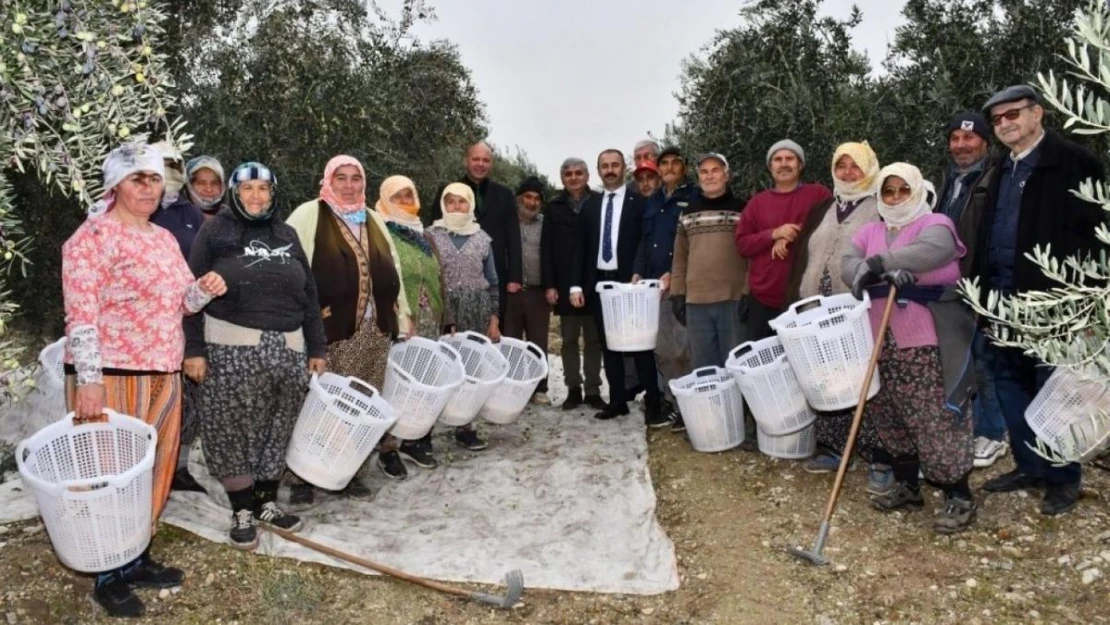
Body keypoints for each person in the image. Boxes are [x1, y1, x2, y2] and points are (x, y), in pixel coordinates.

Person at [62, 143, 226, 617]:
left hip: (161, 372)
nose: (148, 188)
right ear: (115, 185)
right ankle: (106, 573)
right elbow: (81, 315)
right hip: (110, 375)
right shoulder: (92, 237)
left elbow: (180, 303)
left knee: (153, 470)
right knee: (108, 475)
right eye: (138, 179)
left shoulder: (162, 239)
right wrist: (89, 380)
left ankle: (135, 557)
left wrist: (203, 290)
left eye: (154, 179)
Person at [972, 85, 1106, 516]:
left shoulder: (1075, 163)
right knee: (1011, 383)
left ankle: (1063, 477)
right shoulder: (1000, 168)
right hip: (1002, 298)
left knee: (1055, 389)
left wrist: (1090, 303)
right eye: (998, 119)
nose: (1006, 123)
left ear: (1038, 113)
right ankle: (1030, 465)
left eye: (1013, 114)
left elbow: (1098, 238)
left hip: (1053, 302)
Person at [184, 161, 327, 550]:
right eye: (248, 189)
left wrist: (316, 347)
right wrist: (193, 350)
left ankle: (266, 502)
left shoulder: (287, 234)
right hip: (230, 347)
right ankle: (241, 509)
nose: (256, 196)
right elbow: (189, 295)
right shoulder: (215, 232)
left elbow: (310, 297)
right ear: (234, 192)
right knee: (230, 426)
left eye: (264, 189)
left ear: (273, 193)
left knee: (278, 426)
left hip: (289, 348)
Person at [842, 162, 976, 534]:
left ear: (917, 190)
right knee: (888, 412)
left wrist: (878, 265)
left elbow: (930, 253)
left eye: (903, 190)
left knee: (935, 417)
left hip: (924, 339)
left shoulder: (936, 224)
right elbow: (847, 266)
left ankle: (959, 495)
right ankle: (908, 485)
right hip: (879, 341)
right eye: (889, 191)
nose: (896, 197)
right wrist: (872, 271)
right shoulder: (870, 230)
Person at [286, 155, 410, 488]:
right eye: (341, 178)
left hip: (375, 329)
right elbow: (289, 266)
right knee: (322, 402)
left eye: (356, 178)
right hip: (328, 330)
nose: (349, 185)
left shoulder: (372, 218)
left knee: (362, 401)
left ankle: (349, 469)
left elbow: (393, 265)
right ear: (328, 180)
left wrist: (403, 312)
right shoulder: (310, 214)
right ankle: (302, 477)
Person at [784, 142, 893, 495]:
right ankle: (833, 447)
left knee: (867, 381)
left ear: (869, 169)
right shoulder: (823, 207)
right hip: (816, 309)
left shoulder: (882, 208)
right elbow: (804, 254)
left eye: (855, 166)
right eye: (841, 165)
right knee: (828, 378)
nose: (847, 172)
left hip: (858, 311)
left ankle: (880, 455)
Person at [936, 112, 1008, 470]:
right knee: (961, 360)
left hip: (982, 285)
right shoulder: (949, 181)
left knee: (985, 361)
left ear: (985, 141)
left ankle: (993, 434)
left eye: (969, 138)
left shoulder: (996, 178)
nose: (962, 145)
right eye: (955, 139)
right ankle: (971, 425)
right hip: (950, 287)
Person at [570, 149, 664, 426]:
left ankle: (654, 403)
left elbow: (645, 243)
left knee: (641, 346)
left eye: (615, 165)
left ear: (624, 168)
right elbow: (581, 249)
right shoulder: (589, 205)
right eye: (605, 166)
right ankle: (618, 401)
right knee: (609, 344)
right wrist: (576, 285)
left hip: (631, 283)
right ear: (598, 171)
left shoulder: (639, 203)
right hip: (601, 284)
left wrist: (640, 274)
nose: (610, 170)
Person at [373, 175, 453, 471]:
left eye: (410, 194)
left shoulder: (424, 234)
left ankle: (417, 439)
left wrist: (448, 319)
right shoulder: (379, 231)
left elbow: (440, 278)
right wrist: (398, 316)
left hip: (430, 319)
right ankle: (388, 447)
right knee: (396, 383)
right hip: (400, 322)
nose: (406, 201)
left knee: (424, 381)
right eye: (398, 196)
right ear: (385, 199)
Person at [147, 142, 211, 494]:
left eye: (175, 164)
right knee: (154, 399)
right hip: (148, 326)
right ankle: (148, 468)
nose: (170, 172)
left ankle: (179, 467)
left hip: (189, 315)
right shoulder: (141, 209)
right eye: (162, 165)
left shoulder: (190, 212)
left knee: (189, 400)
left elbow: (200, 264)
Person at [426, 183, 501, 451]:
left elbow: (492, 281)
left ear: (470, 205)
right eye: (451, 201)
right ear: (444, 205)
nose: (457, 207)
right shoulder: (430, 235)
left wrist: (494, 317)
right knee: (440, 368)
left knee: (471, 369)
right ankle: (427, 428)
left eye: (462, 202)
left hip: (477, 309)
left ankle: (465, 427)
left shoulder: (482, 238)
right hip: (442, 311)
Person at [736, 140, 832, 340]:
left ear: (800, 164)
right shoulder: (757, 203)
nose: (784, 164)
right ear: (771, 167)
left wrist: (790, 235)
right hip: (762, 300)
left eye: (790, 158)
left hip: (804, 299)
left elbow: (828, 228)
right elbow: (742, 245)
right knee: (762, 364)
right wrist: (773, 234)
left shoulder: (818, 194)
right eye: (778, 160)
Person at [633, 146, 693, 432]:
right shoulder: (653, 201)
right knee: (662, 348)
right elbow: (645, 243)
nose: (669, 168)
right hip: (652, 287)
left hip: (681, 285)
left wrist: (675, 275)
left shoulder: (693, 197)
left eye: (675, 163)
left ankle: (687, 407)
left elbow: (693, 243)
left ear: (684, 168)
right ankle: (671, 401)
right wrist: (637, 272)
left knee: (682, 349)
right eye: (664, 163)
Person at [424, 142, 522, 319]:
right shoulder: (447, 192)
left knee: (491, 328)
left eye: (486, 160)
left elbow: (513, 236)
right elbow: (433, 234)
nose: (480, 164)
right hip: (451, 276)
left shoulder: (505, 194)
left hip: (494, 273)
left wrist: (515, 276)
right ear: (466, 161)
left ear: (491, 164)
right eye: (475, 159)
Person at [670, 153, 748, 372]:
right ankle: (712, 407)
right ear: (698, 177)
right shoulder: (688, 212)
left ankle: (737, 408)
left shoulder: (743, 209)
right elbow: (679, 257)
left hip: (732, 299)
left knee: (735, 365)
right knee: (704, 369)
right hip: (696, 303)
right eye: (704, 171)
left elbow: (753, 254)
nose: (710, 176)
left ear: (727, 174)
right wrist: (677, 293)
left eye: (715, 170)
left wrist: (748, 291)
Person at [543, 158, 605, 411]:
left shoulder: (600, 203)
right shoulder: (554, 207)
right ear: (562, 178)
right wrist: (550, 285)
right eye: (568, 173)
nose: (574, 178)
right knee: (568, 340)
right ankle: (573, 389)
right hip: (565, 281)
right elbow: (546, 249)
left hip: (594, 281)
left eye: (578, 173)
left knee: (594, 339)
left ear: (587, 175)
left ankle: (592, 389)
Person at [504, 176, 552, 404]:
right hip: (510, 292)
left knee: (537, 342)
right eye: (528, 197)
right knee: (510, 342)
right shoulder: (506, 222)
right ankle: (513, 387)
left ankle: (539, 387)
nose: (532, 203)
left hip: (536, 292)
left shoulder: (545, 224)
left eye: (536, 199)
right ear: (518, 199)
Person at [184, 155, 227, 220]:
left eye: (215, 183)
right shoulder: (178, 217)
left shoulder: (233, 219)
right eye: (201, 183)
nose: (209, 189)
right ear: (189, 185)